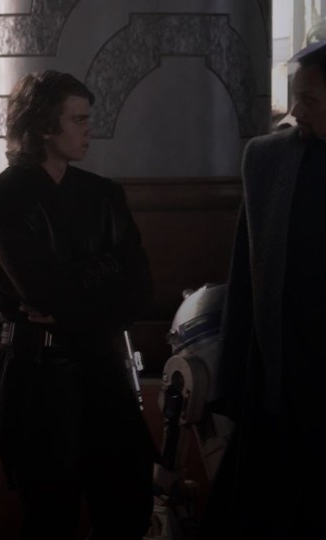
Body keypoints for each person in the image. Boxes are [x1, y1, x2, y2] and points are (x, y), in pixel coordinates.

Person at [0, 70, 159, 539]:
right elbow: (44, 293)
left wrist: (81, 290)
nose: (90, 130)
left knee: (129, 506)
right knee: (50, 515)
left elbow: (140, 289)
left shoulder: (104, 195)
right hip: (39, 377)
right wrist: (105, 270)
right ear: (45, 126)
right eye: (78, 120)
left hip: (102, 370)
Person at [195, 42, 326, 539]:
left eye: (309, 99)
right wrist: (232, 379)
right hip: (285, 374)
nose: (296, 111)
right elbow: (245, 275)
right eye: (296, 97)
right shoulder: (270, 159)